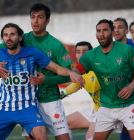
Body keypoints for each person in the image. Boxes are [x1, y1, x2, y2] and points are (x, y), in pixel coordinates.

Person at [0, 3, 83, 140]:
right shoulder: (22, 39)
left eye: (40, 17)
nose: (36, 21)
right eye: (33, 17)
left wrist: (47, 80)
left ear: (47, 21)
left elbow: (64, 73)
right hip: (28, 103)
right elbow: (4, 48)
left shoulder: (55, 45)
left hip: (49, 100)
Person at [73, 19, 134, 140]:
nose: (102, 34)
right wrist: (74, 75)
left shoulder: (127, 50)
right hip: (107, 105)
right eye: (99, 31)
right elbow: (77, 70)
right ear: (96, 35)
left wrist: (131, 86)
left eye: (105, 30)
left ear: (113, 33)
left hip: (130, 103)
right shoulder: (91, 56)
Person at [60, 41, 101, 140]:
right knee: (62, 125)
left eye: (85, 51)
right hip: (96, 110)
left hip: (109, 110)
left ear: (91, 54)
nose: (81, 55)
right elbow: (75, 85)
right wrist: (60, 95)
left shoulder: (99, 68)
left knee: (90, 137)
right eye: (78, 52)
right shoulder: (81, 72)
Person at [114, 17, 134, 140]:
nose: (116, 30)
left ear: (126, 31)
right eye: (114, 28)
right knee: (124, 132)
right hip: (121, 98)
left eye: (120, 27)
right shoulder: (109, 49)